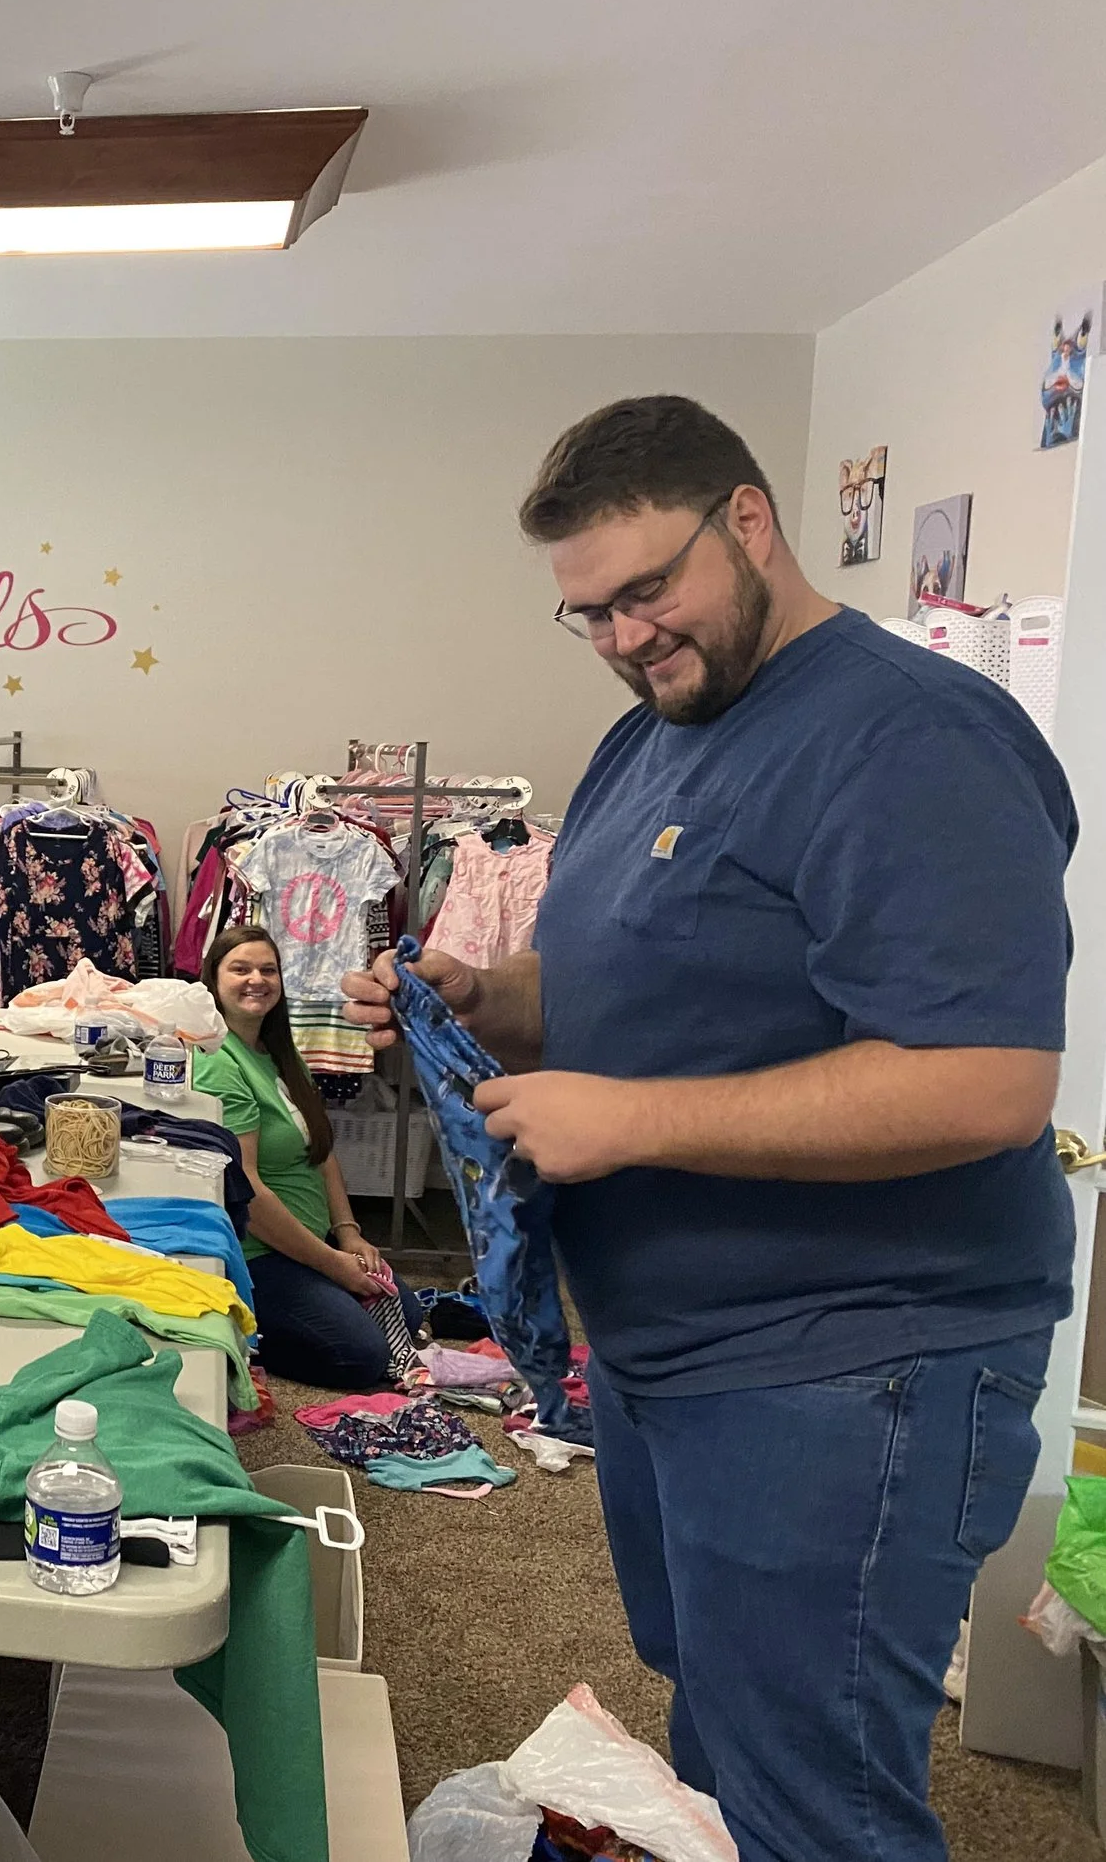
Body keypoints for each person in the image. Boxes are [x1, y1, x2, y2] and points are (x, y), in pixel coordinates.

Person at [343, 395, 1074, 1862]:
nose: (625, 636)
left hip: (851, 1363)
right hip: (676, 1354)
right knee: (724, 1747)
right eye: (589, 613)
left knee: (816, 1797)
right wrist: (483, 994)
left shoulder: (911, 734)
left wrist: (631, 1121)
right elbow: (623, 982)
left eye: (647, 589)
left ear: (748, 520)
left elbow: (988, 1078)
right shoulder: (652, 736)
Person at [192, 924, 421, 1388]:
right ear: (213, 980)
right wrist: (333, 1265)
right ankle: (238, 1331)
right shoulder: (218, 1062)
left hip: (313, 1241)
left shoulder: (280, 1053)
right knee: (361, 1357)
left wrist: (348, 1234)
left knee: (408, 1313)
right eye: (240, 969)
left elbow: (321, 1152)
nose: (256, 980)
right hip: (259, 1255)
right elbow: (247, 1191)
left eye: (268, 970)